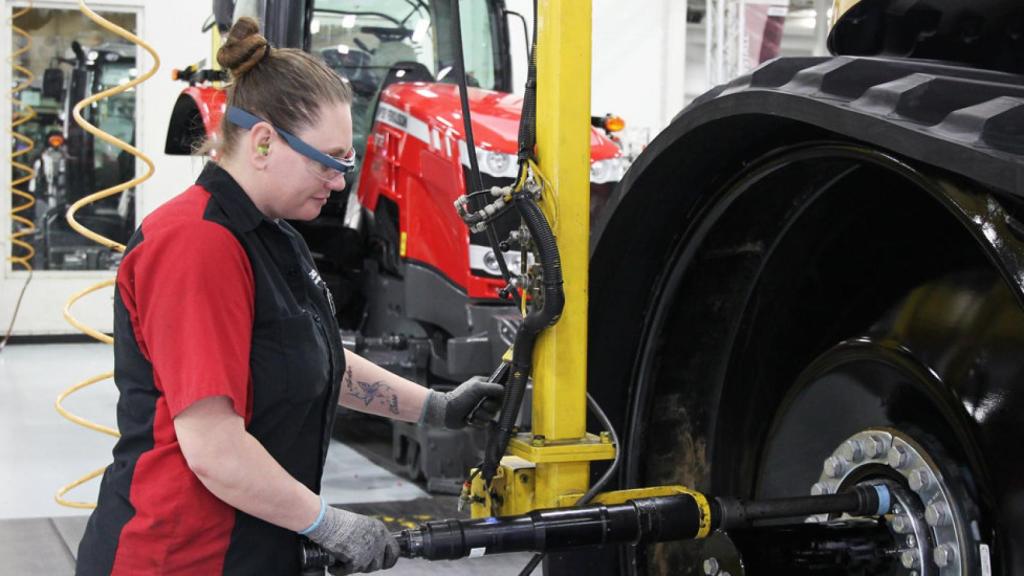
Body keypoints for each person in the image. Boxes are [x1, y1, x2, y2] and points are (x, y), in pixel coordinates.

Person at [76, 17, 504, 576]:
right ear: (262, 143)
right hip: (179, 556)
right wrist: (331, 523)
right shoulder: (195, 244)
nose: (339, 181)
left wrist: (436, 407)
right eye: (328, 160)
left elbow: (315, 357)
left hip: (251, 546)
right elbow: (214, 449)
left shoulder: (275, 237)